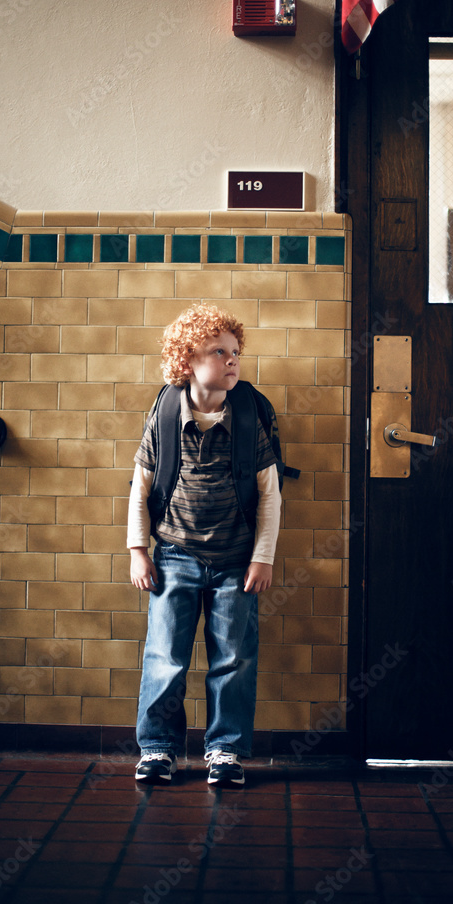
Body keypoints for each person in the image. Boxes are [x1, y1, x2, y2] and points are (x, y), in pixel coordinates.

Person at [127, 302, 281, 786]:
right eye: (219, 351)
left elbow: (270, 494)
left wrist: (262, 558)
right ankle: (158, 749)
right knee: (165, 657)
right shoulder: (165, 416)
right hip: (174, 556)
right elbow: (140, 487)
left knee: (233, 659)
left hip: (237, 561)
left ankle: (225, 751)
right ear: (187, 360)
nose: (232, 359)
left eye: (236, 352)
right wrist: (138, 551)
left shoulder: (247, 418)